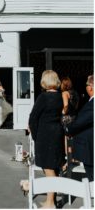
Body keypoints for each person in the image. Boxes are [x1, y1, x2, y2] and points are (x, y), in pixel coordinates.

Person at [28, 70, 65, 209]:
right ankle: (52, 200)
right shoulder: (60, 96)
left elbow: (33, 119)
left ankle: (50, 204)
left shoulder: (43, 97)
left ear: (45, 81)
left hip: (45, 135)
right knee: (53, 166)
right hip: (57, 133)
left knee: (48, 168)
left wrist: (36, 136)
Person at [64, 75, 94, 181]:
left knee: (92, 176)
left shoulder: (93, 104)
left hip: (89, 147)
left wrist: (67, 129)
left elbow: (80, 122)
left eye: (86, 84)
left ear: (90, 87)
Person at [60, 77, 80, 163]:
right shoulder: (75, 93)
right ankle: (74, 156)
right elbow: (76, 106)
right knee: (73, 136)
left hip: (67, 117)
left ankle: (69, 157)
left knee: (66, 137)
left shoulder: (65, 93)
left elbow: (66, 105)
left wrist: (63, 112)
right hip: (74, 116)